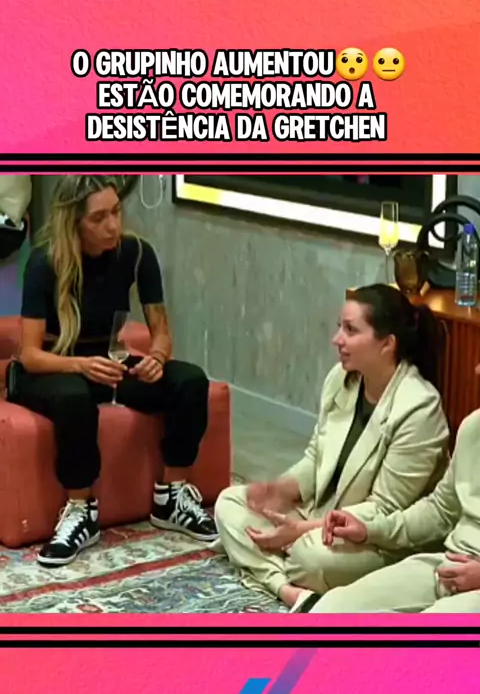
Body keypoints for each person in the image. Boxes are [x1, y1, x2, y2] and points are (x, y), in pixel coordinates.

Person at [8, 175, 217, 568]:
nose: (113, 226)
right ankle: (80, 511)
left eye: (116, 212)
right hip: (52, 366)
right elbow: (30, 354)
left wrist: (156, 358)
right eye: (99, 218)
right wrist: (80, 365)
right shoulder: (44, 262)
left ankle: (171, 496)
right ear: (74, 222)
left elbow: (161, 333)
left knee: (189, 381)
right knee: (74, 397)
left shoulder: (137, 253)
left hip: (106, 363)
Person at [215, 284, 450, 609]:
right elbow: (316, 457)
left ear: (387, 344)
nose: (337, 339)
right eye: (340, 327)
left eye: (350, 330)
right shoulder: (340, 379)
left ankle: (274, 567)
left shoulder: (419, 407)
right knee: (229, 503)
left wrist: (300, 531)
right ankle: (289, 590)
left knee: (309, 558)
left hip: (377, 535)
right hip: (321, 516)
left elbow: (385, 509)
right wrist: (279, 490)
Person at [303, 393, 480, 614]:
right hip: (449, 566)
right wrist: (371, 529)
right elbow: (440, 511)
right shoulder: (474, 428)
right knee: (330, 609)